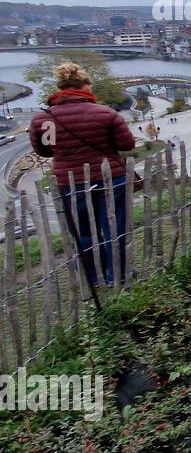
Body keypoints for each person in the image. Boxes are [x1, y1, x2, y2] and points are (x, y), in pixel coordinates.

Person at [29, 62, 136, 287]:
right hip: (110, 178)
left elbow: (45, 150)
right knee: (113, 229)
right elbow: (126, 144)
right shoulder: (106, 114)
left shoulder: (44, 120)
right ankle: (116, 275)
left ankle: (92, 278)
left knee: (83, 232)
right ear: (85, 87)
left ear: (60, 88)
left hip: (71, 181)